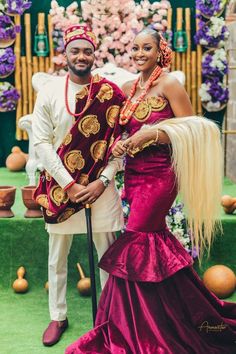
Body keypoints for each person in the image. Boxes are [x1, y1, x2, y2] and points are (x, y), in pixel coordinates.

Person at [65, 27, 236, 353]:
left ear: (160, 51)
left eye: (147, 48)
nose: (140, 53)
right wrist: (118, 146)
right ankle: (174, 316)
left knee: (137, 237)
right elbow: (119, 131)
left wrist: (153, 135)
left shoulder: (170, 84)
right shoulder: (129, 88)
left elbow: (195, 129)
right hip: (134, 176)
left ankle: (136, 327)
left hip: (161, 176)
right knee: (150, 243)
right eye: (136, 48)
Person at [32, 24, 125, 347]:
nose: (81, 56)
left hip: (100, 189)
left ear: (94, 54)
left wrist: (102, 181)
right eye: (75, 50)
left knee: (108, 257)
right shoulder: (50, 92)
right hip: (61, 190)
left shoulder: (111, 94)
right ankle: (58, 316)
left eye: (87, 50)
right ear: (65, 54)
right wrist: (69, 184)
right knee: (57, 257)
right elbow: (41, 143)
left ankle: (110, 318)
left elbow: (119, 145)